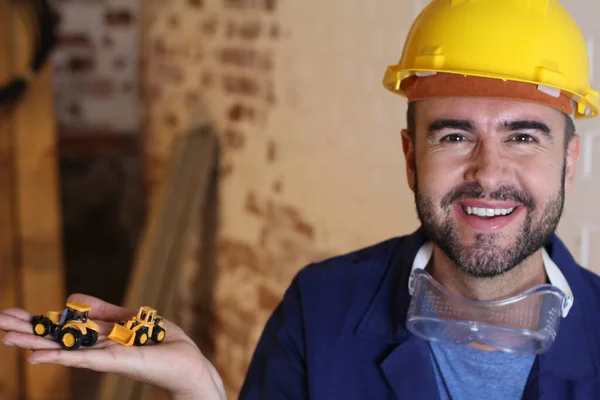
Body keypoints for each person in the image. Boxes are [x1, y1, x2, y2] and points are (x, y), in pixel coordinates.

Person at [2, 0, 600, 398]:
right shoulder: (322, 309)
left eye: (524, 136)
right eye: (454, 134)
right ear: (411, 158)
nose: (487, 171)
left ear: (569, 163)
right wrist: (202, 388)